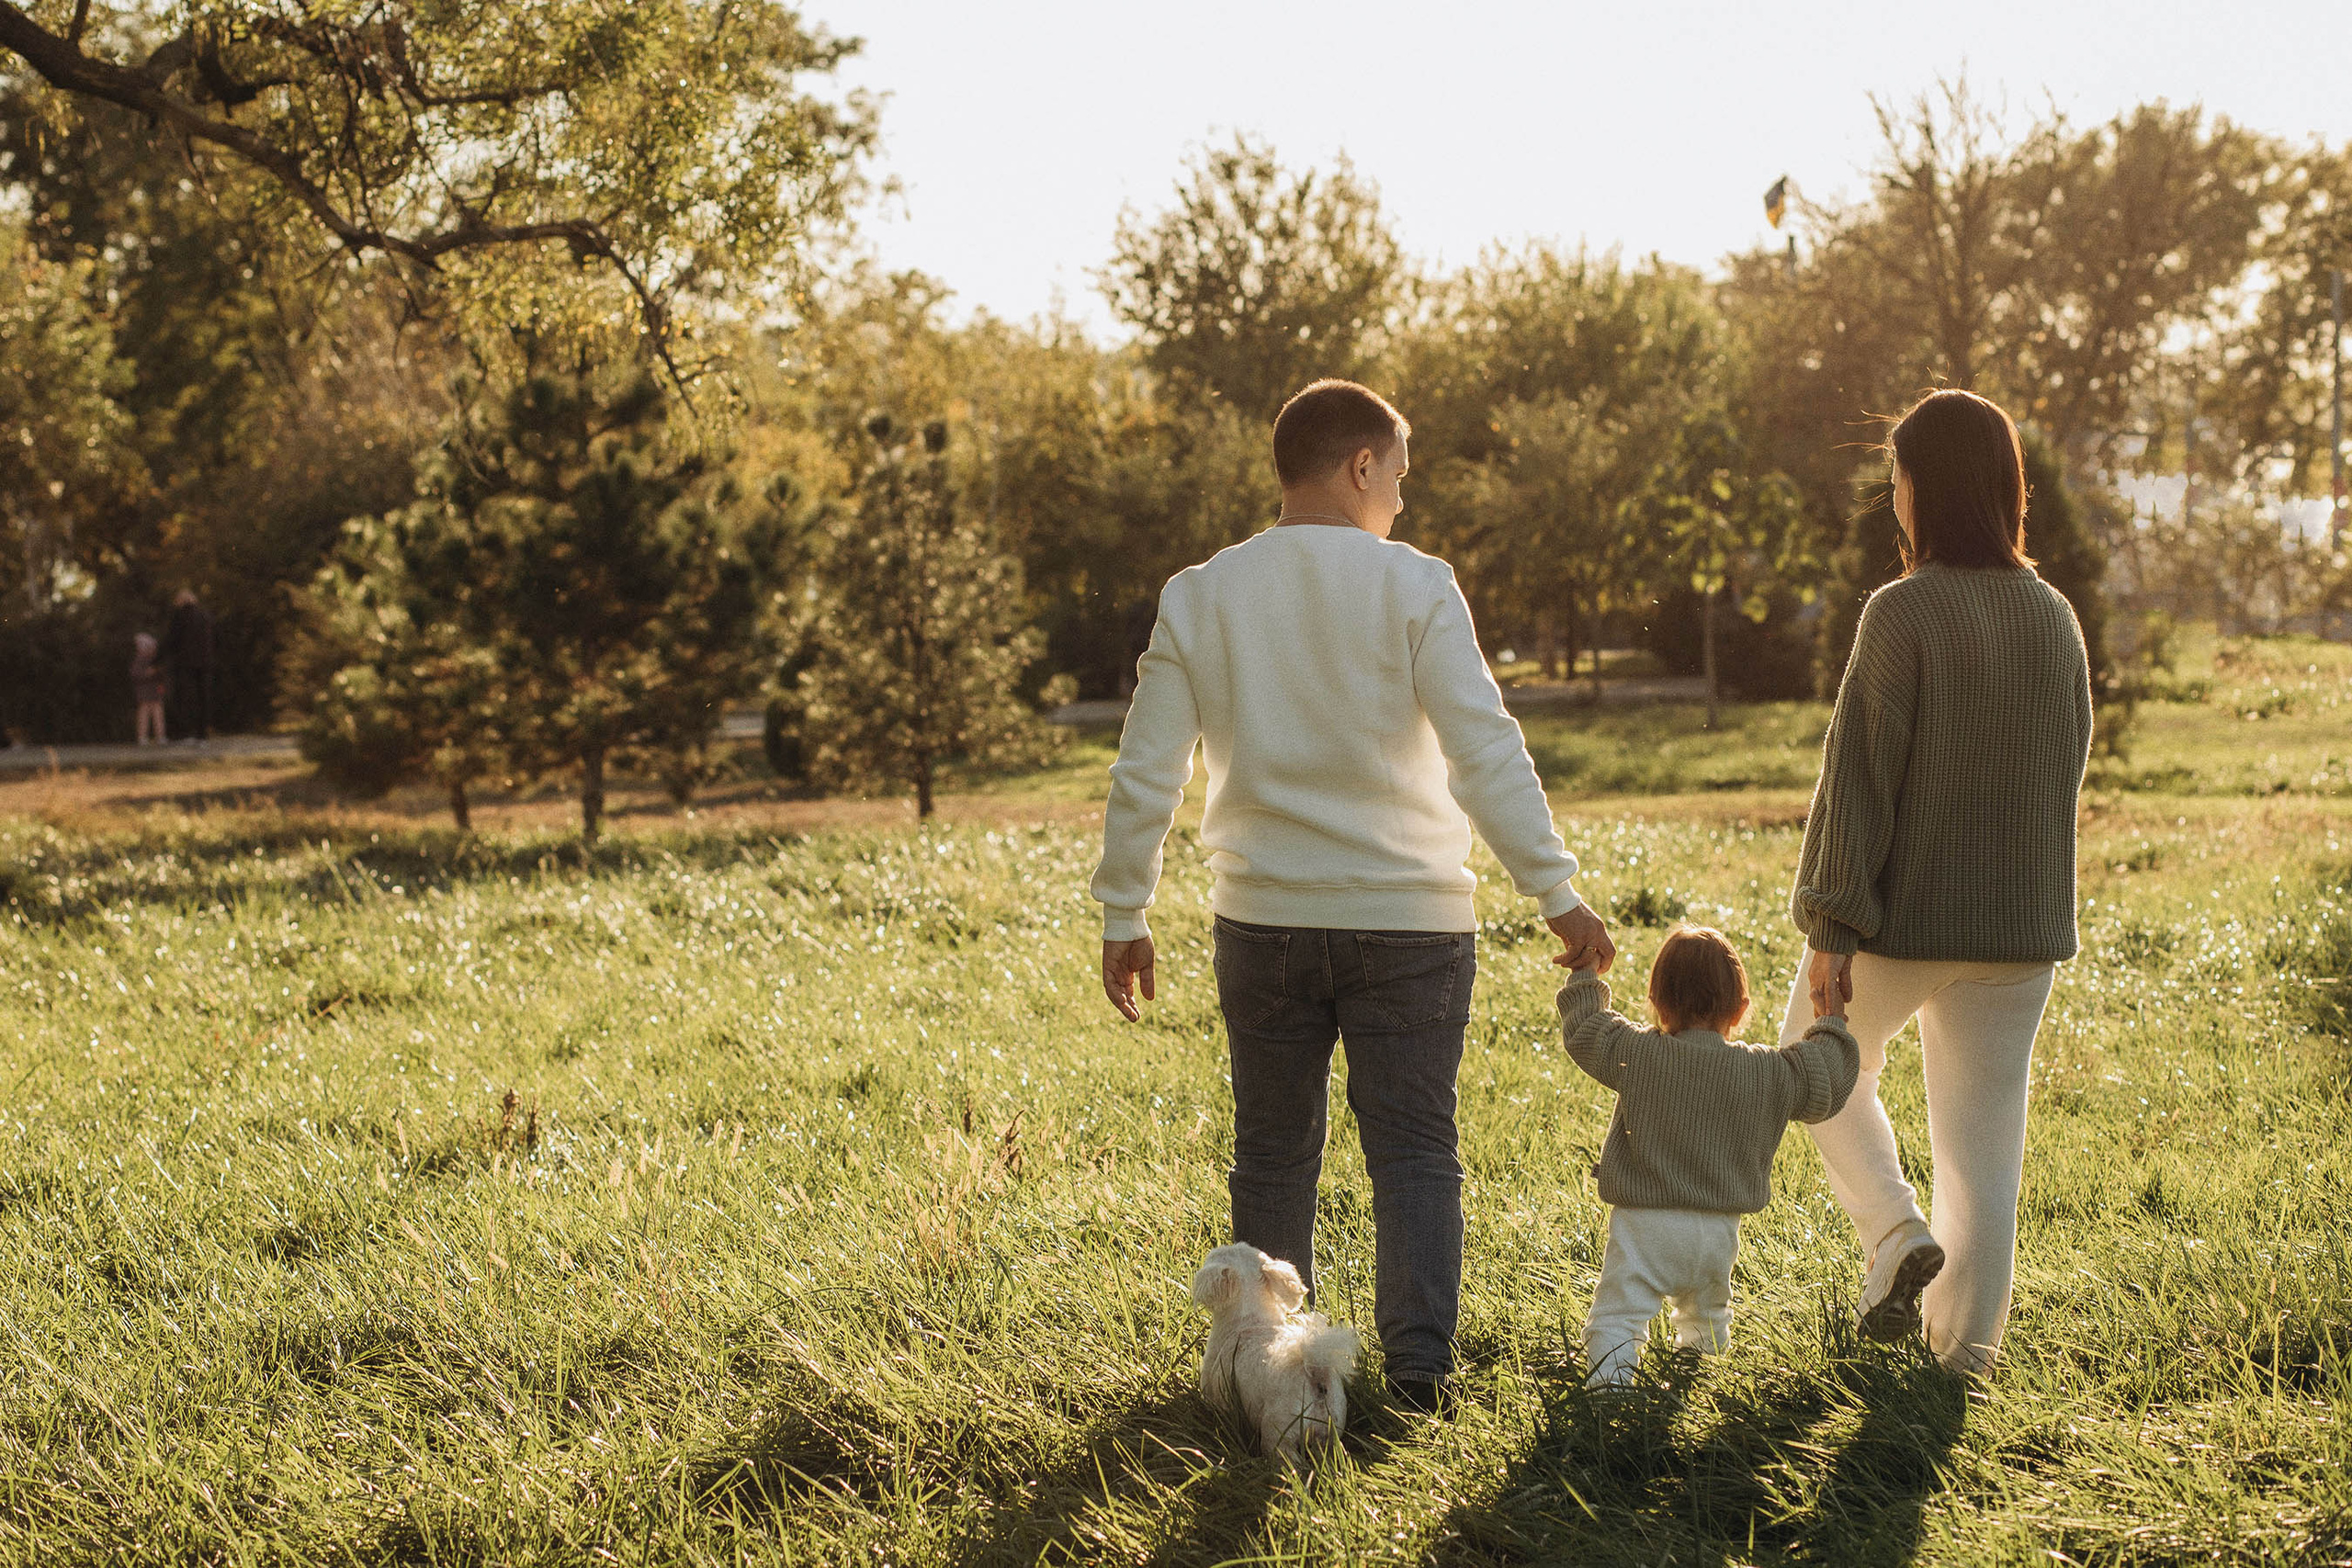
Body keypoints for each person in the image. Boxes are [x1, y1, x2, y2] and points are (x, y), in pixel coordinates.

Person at [1091, 378, 1615, 1416]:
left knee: (1272, 1153)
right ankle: (1417, 1381)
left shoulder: (1201, 592)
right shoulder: (1416, 586)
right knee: (1415, 1150)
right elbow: (1482, 748)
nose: (1403, 504)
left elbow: (1146, 765)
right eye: (1399, 478)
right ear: (1360, 466)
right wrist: (1555, 891)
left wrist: (1125, 910)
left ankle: (1269, 1376)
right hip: (1411, 922)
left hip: (1264, 920)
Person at [1780, 388, 2094, 1374]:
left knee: (1810, 1061)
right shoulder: (2054, 616)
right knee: (1985, 1152)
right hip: (2019, 935)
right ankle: (1963, 1361)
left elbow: (1859, 776)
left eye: (1896, 481)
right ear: (2006, 490)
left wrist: (1832, 922)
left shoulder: (1901, 611)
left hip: (1900, 926)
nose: (1893, 499)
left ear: (1924, 488)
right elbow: (2065, 764)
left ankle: (1891, 1233)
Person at [1559, 926, 1859, 1386]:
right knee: (1707, 1317)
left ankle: (1607, 1401)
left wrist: (1584, 972)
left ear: (1657, 1004)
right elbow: (1826, 1081)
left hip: (1645, 1226)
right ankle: (1703, 1384)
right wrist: (1830, 1020)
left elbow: (1586, 1030)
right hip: (1718, 1234)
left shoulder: (1636, 1053)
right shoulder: (1767, 1072)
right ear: (1740, 1010)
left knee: (1619, 1318)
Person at [160, 588, 214, 742]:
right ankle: (202, 734)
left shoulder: (179, 617)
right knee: (204, 698)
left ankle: (187, 732)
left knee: (187, 699)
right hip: (205, 664)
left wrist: (156, 661)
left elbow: (171, 640)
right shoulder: (205, 616)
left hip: (186, 665)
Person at [130, 632, 166, 745]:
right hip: (144, 693)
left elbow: (162, 675)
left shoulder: (155, 661)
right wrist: (147, 673)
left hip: (155, 692)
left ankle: (160, 736)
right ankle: (142, 737)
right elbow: (135, 675)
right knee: (143, 715)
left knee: (158, 715)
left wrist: (159, 679)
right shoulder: (138, 660)